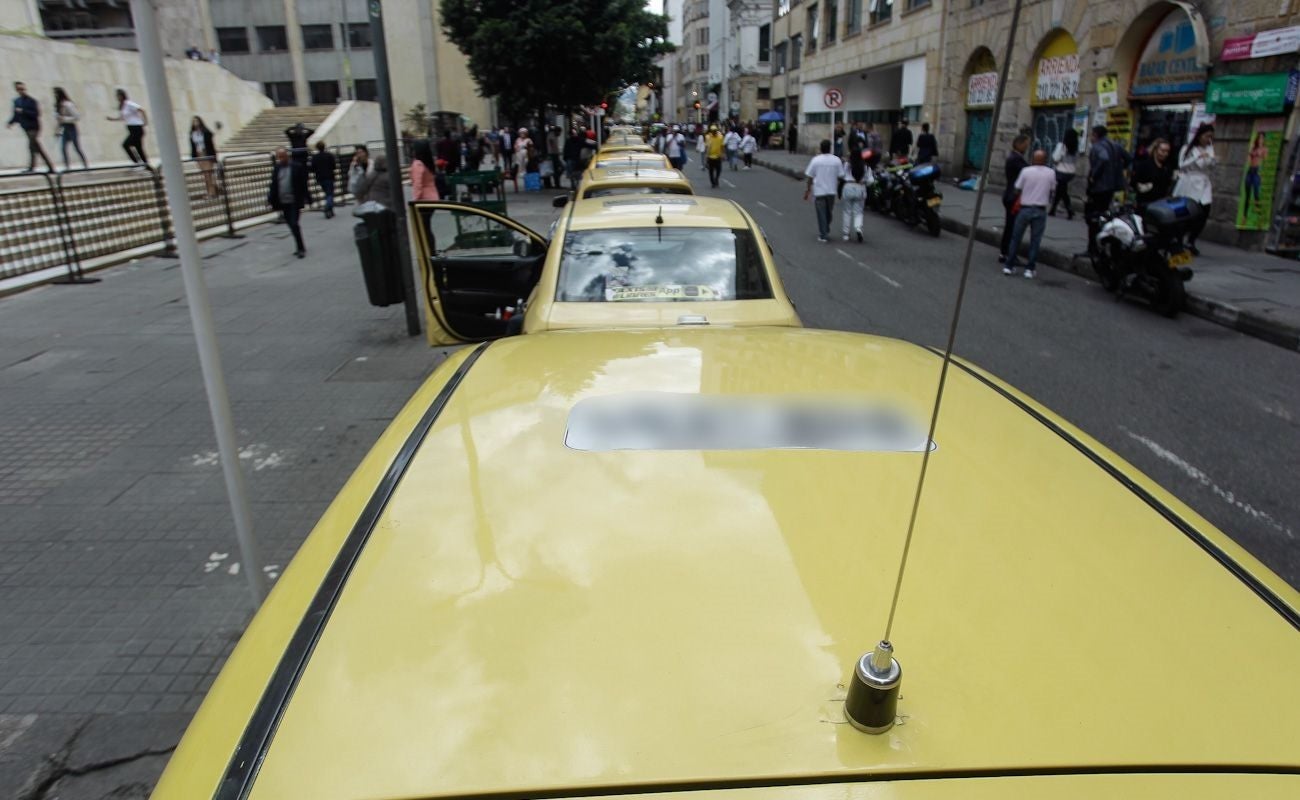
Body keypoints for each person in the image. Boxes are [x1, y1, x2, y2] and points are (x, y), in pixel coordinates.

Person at [1004, 150, 1056, 279]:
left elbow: (1017, 189)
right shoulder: (1051, 173)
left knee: (1016, 238)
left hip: (1025, 208)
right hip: (1040, 209)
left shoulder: (1026, 171)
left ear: (1033, 159)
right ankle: (1029, 268)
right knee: (1035, 240)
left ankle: (1008, 266)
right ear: (1045, 160)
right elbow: (1052, 190)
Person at [1085, 124, 1131, 254]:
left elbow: (1103, 158)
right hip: (1111, 187)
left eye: (1092, 135)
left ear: (1095, 135)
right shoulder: (1115, 145)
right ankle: (1103, 243)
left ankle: (1093, 247)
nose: (1090, 138)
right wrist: (1118, 169)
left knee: (1093, 217)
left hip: (1099, 187)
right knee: (1104, 215)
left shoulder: (1098, 146)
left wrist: (1094, 175)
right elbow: (1128, 158)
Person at [1171, 123, 1215, 254]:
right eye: (1207, 136)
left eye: (1211, 137)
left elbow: (1211, 166)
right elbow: (1181, 165)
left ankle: (1191, 241)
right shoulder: (1188, 149)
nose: (1209, 139)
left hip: (1204, 183)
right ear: (1200, 135)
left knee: (1203, 213)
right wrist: (1197, 157)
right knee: (1185, 213)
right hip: (1189, 182)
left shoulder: (1210, 148)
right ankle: (1178, 241)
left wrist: (1212, 160)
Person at [267, 147, 309, 257]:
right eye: (279, 157)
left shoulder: (296, 167)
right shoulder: (277, 168)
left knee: (294, 223)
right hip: (283, 201)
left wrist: (307, 197)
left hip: (294, 200)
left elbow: (303, 183)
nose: (281, 159)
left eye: (283, 156)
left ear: (287, 156)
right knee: (290, 224)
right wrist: (270, 199)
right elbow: (274, 184)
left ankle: (301, 248)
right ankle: (299, 244)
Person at [8, 82, 54, 173]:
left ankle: (34, 167)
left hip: (33, 127)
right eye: (19, 89)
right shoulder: (16, 101)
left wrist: (23, 111)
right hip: (26, 127)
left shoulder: (31, 101)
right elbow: (16, 115)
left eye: (23, 89)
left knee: (33, 146)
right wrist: (11, 122)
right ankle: (45, 167)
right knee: (35, 147)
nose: (21, 91)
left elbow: (36, 114)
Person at [998, 134, 1030, 263]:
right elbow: (1026, 172)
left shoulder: (1016, 158)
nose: (1027, 147)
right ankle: (1007, 253)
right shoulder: (1015, 159)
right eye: (1026, 144)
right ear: (1019, 144)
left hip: (1011, 195)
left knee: (1011, 226)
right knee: (1013, 227)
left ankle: (1005, 252)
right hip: (1013, 197)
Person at [803, 139, 842, 243]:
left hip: (819, 191)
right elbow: (841, 175)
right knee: (828, 212)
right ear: (830, 148)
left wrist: (808, 189)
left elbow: (810, 176)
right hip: (831, 191)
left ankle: (824, 232)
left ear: (821, 148)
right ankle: (824, 231)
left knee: (822, 214)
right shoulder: (837, 160)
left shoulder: (816, 160)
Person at [840, 146, 874, 242]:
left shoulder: (847, 165)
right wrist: (864, 182)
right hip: (860, 188)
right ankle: (858, 228)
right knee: (858, 212)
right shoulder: (866, 166)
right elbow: (871, 181)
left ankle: (846, 234)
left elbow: (842, 175)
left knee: (847, 212)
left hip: (848, 187)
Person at [107, 89, 148, 166]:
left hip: (137, 128)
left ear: (123, 96)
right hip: (131, 129)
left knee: (126, 144)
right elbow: (123, 118)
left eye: (119, 96)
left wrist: (145, 121)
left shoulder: (129, 103)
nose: (118, 98)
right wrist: (112, 119)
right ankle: (144, 164)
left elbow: (142, 110)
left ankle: (137, 162)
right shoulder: (122, 106)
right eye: (117, 96)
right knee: (138, 147)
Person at [1131, 137, 1173, 208]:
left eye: (1167, 152)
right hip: (1145, 203)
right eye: (1163, 151)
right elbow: (1133, 182)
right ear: (1155, 150)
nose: (1165, 154)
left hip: (1161, 203)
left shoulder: (1167, 167)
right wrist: (1143, 186)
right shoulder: (1144, 165)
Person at [53, 87, 88, 171]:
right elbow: (59, 120)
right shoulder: (58, 105)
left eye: (56, 93)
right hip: (64, 128)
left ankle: (85, 164)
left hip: (71, 127)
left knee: (77, 147)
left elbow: (76, 117)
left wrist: (64, 118)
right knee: (63, 147)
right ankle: (67, 166)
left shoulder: (68, 104)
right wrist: (57, 130)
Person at [1049, 127, 1078, 219]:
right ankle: (1053, 209)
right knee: (1061, 191)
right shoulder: (1076, 148)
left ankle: (1069, 210)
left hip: (1061, 171)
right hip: (1071, 172)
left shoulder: (1062, 146)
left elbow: (1056, 158)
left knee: (1062, 191)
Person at [189, 116, 219, 198]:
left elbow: (211, 144)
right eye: (194, 121)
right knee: (205, 175)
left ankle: (211, 192)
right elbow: (193, 146)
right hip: (199, 155)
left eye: (196, 121)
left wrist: (214, 156)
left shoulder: (205, 132)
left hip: (206, 154)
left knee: (208, 174)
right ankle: (211, 191)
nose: (195, 123)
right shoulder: (193, 133)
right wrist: (194, 156)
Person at [310, 140, 338, 215]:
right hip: (329, 176)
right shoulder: (329, 155)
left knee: (327, 192)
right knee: (330, 193)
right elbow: (334, 166)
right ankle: (328, 206)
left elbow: (312, 168)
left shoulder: (315, 157)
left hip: (320, 177)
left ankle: (330, 209)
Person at [1244, 131, 1267, 214]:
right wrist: (1251, 152)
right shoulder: (1254, 147)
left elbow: (1264, 162)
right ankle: (1244, 215)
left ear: (1264, 139)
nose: (1260, 139)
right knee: (1247, 194)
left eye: (1262, 138)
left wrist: (1262, 173)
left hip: (1257, 171)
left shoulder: (1264, 149)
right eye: (1259, 137)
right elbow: (1248, 159)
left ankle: (1258, 211)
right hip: (1250, 170)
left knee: (1256, 192)